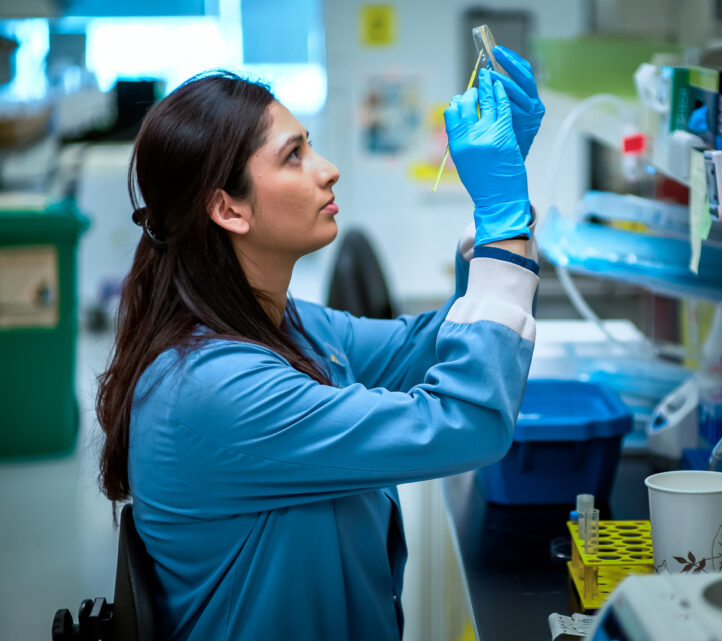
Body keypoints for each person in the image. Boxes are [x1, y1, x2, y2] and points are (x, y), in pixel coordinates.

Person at [95, 45, 545, 641]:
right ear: (227, 208)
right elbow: (468, 421)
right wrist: (502, 218)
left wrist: (500, 212)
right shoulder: (211, 388)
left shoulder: (283, 325)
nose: (328, 168)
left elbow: (432, 346)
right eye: (294, 156)